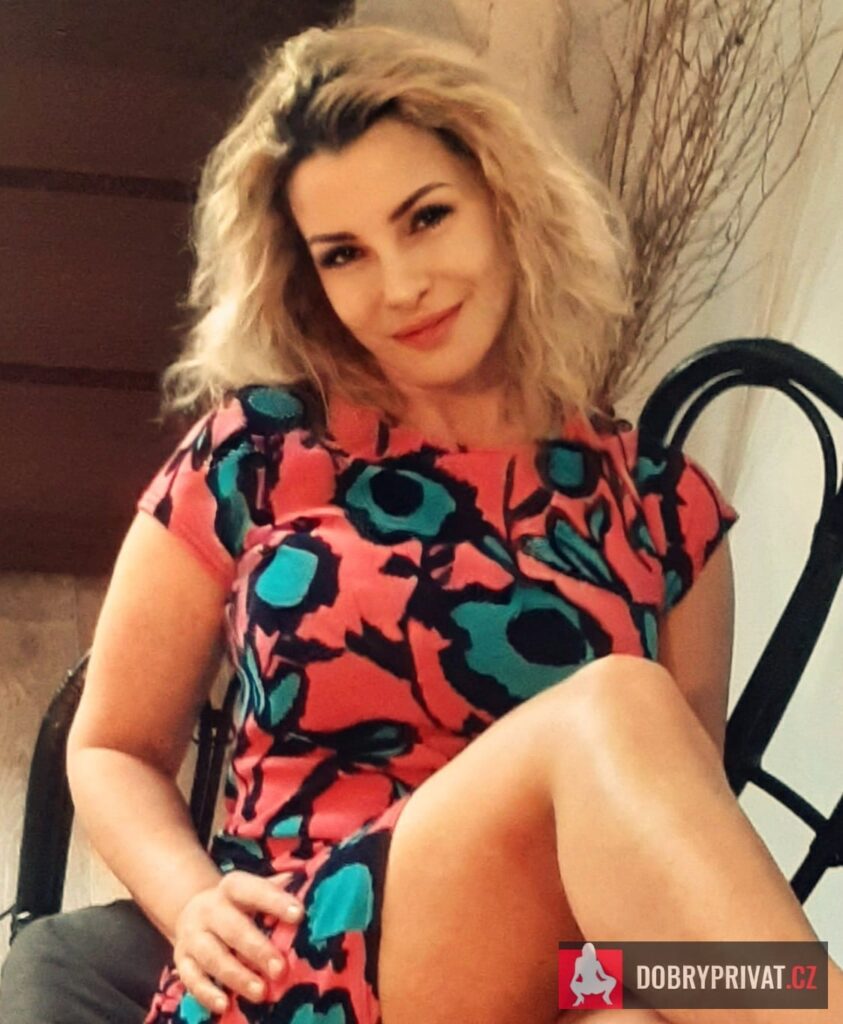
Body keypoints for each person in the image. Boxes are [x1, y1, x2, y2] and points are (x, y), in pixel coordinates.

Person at [1, 21, 840, 1024]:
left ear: (505, 200)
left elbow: (659, 877)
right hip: (299, 966)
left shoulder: (666, 511)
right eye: (345, 254)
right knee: (618, 702)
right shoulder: (257, 452)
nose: (399, 287)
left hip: (548, 988)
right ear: (309, 277)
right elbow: (111, 745)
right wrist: (189, 902)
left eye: (426, 217)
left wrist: (634, 997)